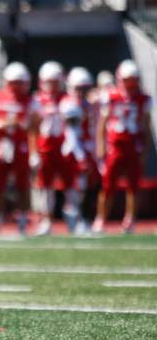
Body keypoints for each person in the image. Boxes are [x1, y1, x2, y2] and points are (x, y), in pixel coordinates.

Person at [93, 60, 153, 234]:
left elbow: (146, 126)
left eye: (133, 79)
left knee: (133, 186)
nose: (130, 83)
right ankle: (101, 218)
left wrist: (145, 150)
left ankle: (130, 219)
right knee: (108, 185)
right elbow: (102, 124)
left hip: (134, 146)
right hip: (115, 146)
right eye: (128, 79)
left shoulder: (143, 99)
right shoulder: (111, 97)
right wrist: (101, 146)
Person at [0, 62, 34, 236]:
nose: (17, 86)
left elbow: (35, 127)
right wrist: (3, 124)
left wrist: (34, 151)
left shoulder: (30, 100)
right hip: (3, 146)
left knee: (23, 185)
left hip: (21, 146)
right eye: (14, 82)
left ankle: (22, 221)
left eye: (20, 82)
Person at [30, 61, 75, 235]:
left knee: (70, 185)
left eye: (55, 81)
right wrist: (34, 152)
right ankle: (47, 220)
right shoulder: (37, 100)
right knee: (45, 186)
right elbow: (33, 128)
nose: (52, 85)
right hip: (45, 148)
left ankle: (73, 219)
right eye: (49, 81)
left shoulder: (68, 99)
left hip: (65, 146)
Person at [61, 67, 99, 233]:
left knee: (88, 186)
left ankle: (81, 218)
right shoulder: (69, 104)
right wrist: (81, 156)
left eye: (85, 88)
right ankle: (77, 218)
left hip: (87, 149)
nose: (82, 92)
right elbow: (72, 134)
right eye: (79, 88)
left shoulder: (89, 104)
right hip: (74, 151)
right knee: (78, 186)